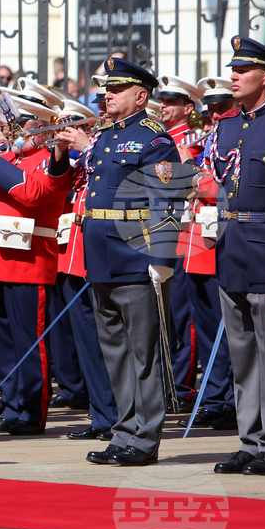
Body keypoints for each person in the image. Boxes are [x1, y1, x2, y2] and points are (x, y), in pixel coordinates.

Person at [56, 57, 183, 466]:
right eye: (106, 89)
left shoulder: (154, 140)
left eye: (117, 89)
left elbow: (167, 199)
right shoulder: (106, 136)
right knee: (115, 351)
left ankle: (145, 439)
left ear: (140, 96)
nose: (106, 94)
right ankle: (124, 432)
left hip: (135, 256)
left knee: (143, 354)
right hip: (102, 257)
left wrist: (161, 258)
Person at [197, 36, 265, 476]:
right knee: (241, 353)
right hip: (231, 246)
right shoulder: (225, 127)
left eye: (243, 70)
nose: (233, 76)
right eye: (232, 69)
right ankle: (250, 439)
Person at [0, 83, 72, 436]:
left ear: (39, 123)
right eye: (7, 123)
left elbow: (34, 193)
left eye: (15, 123)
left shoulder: (51, 159)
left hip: (27, 261)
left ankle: (32, 411)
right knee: (3, 339)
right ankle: (12, 403)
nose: (8, 130)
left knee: (28, 340)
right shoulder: (12, 157)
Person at [52, 99, 119, 440]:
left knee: (112, 343)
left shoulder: (123, 140)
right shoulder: (93, 147)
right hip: (74, 257)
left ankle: (118, 416)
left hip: (107, 256)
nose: (103, 109)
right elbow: (56, 188)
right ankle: (102, 416)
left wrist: (87, 145)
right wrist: (61, 153)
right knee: (88, 345)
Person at [173, 77, 237, 431]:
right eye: (210, 107)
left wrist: (191, 173)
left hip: (222, 239)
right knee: (209, 328)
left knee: (227, 332)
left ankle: (227, 400)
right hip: (198, 241)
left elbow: (226, 185)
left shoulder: (235, 135)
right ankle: (213, 398)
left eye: (221, 106)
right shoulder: (212, 136)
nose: (214, 113)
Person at [157, 74, 205, 410]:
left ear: (188, 108)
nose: (163, 107)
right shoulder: (158, 139)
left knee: (181, 314)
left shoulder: (193, 139)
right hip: (159, 232)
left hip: (184, 232)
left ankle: (183, 386)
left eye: (171, 102)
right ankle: (167, 382)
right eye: (162, 101)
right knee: (162, 314)